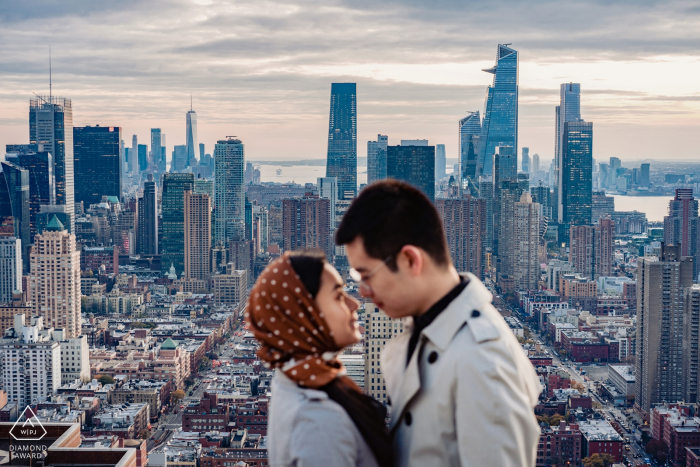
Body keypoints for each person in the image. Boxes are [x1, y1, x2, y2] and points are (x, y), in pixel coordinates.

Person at [336, 180, 542, 467]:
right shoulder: (424, 330)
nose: (362, 291)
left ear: (410, 260)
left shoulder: (483, 362)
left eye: (366, 274)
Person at [246, 251, 394, 467]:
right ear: (304, 315)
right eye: (338, 296)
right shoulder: (318, 421)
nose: (355, 304)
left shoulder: (298, 379)